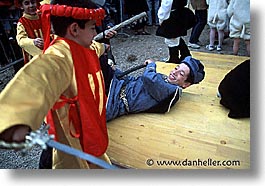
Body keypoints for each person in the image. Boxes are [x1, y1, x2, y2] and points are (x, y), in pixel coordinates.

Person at [0, 0, 111, 169]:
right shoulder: (60, 53)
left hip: (87, 120)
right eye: (92, 28)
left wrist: (104, 46)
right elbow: (39, 76)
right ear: (74, 29)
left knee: (94, 158)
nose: (94, 33)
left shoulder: (83, 46)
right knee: (70, 162)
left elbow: (94, 46)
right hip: (70, 127)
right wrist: (16, 116)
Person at [107, 56, 205, 121]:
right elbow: (137, 80)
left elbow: (148, 77)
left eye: (181, 74)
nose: (175, 72)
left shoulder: (171, 91)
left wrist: (151, 65)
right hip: (115, 86)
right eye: (176, 68)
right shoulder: (165, 80)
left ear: (186, 84)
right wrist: (117, 72)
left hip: (113, 103)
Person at [15, 0, 44, 64]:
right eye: (27, 3)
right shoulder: (22, 22)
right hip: (34, 57)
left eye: (33, 2)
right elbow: (21, 39)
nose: (31, 6)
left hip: (49, 51)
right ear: (22, 6)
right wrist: (33, 42)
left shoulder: (43, 16)